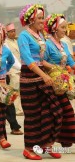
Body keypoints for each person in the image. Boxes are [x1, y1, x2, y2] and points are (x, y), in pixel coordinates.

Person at [18, 4, 62, 160]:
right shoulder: (24, 36)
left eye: (43, 18)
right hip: (29, 79)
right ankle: (28, 149)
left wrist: (58, 70)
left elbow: (42, 60)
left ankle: (47, 145)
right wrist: (44, 75)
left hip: (42, 74)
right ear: (30, 19)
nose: (42, 21)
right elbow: (29, 60)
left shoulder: (41, 35)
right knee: (33, 116)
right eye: (39, 18)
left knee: (53, 111)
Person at [44, 13, 75, 147]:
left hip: (62, 85)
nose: (65, 30)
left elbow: (71, 62)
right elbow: (41, 61)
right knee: (60, 113)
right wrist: (54, 68)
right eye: (62, 27)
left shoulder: (64, 45)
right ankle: (50, 142)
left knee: (66, 112)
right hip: (51, 84)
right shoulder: (47, 44)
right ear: (55, 28)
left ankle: (66, 141)